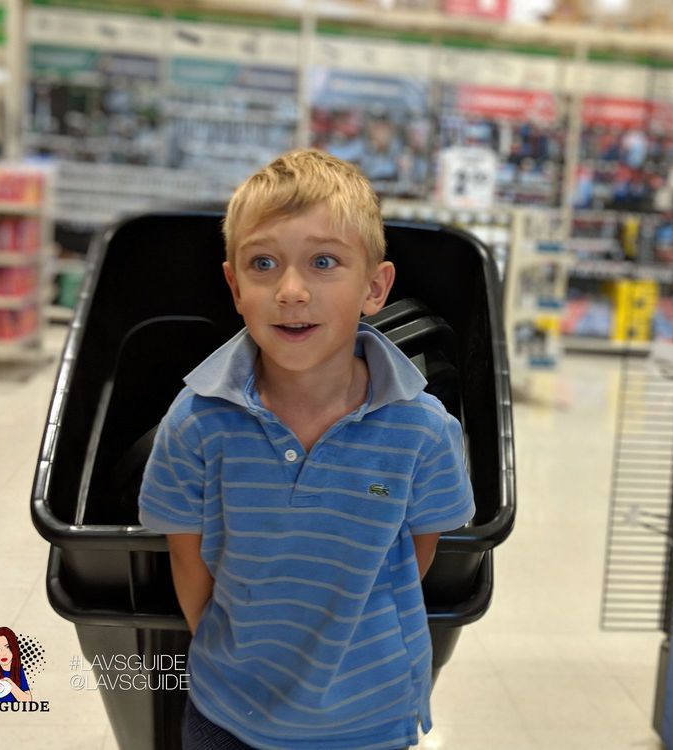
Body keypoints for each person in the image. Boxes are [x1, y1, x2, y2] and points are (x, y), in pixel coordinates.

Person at [138, 148, 475, 750]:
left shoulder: (424, 432)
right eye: (263, 263)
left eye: (323, 262)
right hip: (227, 713)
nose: (291, 291)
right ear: (235, 285)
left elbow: (415, 555)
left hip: (371, 721)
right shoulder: (194, 425)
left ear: (375, 286)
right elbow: (189, 565)